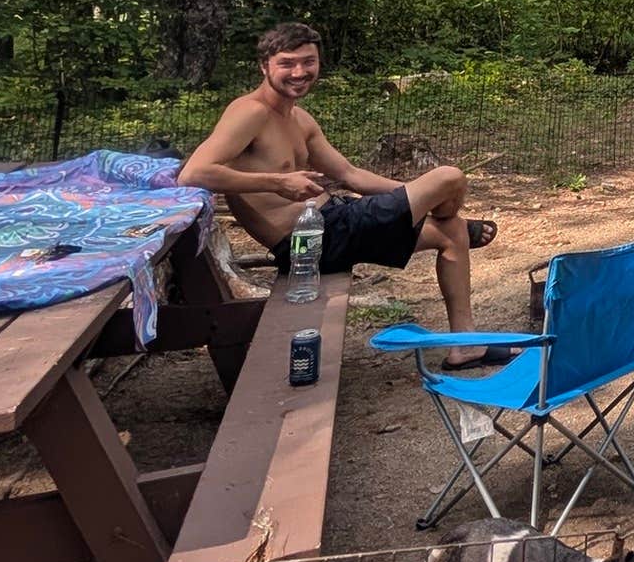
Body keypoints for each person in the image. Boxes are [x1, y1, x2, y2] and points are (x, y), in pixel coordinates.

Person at [180, 22, 506, 368]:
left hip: (338, 221)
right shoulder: (250, 112)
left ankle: (466, 346)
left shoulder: (300, 119)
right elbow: (193, 173)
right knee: (450, 177)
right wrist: (277, 182)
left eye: (309, 62)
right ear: (265, 67)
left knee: (451, 231)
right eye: (287, 63)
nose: (300, 72)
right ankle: (442, 211)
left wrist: (414, 196)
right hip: (309, 243)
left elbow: (351, 175)